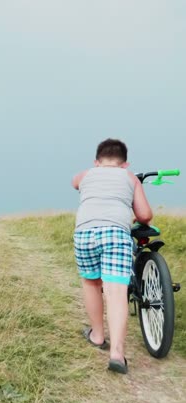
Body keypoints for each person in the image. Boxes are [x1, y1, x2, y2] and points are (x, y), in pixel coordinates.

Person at [72, 138, 153, 374]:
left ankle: (97, 335)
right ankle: (117, 353)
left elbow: (75, 183)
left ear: (97, 162)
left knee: (91, 282)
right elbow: (145, 215)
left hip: (84, 234)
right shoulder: (130, 178)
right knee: (116, 291)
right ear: (125, 164)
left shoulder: (85, 174)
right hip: (115, 235)